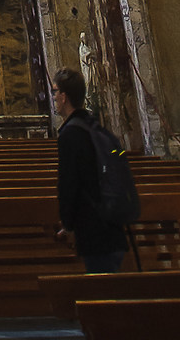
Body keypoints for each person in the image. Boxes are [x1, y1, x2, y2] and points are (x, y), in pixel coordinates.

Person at [53, 66, 129, 275]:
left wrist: (68, 224)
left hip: (93, 229)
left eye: (55, 92)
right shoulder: (94, 126)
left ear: (64, 97)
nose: (53, 97)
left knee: (103, 294)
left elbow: (69, 183)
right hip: (112, 224)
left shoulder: (70, 134)